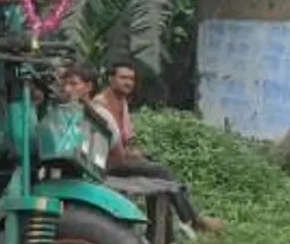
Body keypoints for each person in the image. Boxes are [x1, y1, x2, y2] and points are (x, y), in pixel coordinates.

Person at [92, 61, 221, 234]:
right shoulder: (100, 104)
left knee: (161, 181)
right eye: (123, 78)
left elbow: (128, 136)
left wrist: (134, 151)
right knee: (161, 173)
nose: (128, 82)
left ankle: (164, 238)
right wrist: (129, 154)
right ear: (110, 79)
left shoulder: (121, 101)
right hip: (107, 164)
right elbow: (105, 142)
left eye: (131, 79)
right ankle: (193, 219)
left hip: (122, 158)